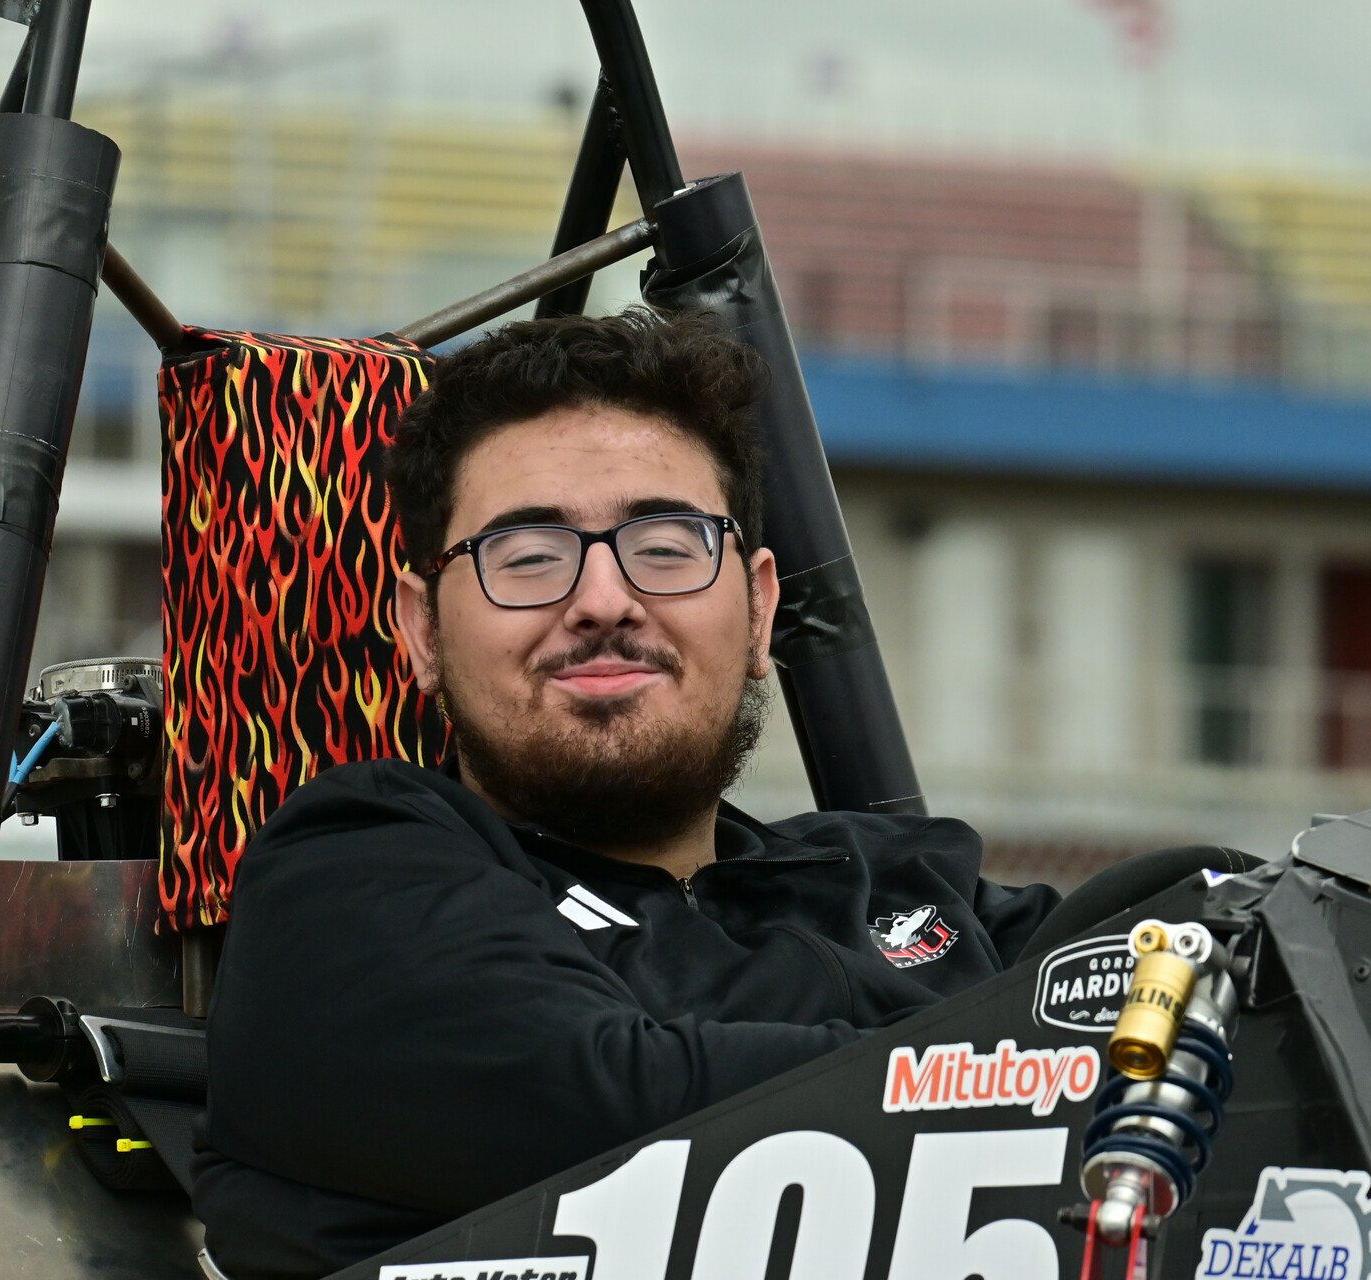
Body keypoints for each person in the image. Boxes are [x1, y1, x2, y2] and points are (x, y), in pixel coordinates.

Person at [191, 308, 1062, 1279]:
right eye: (527, 555)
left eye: (666, 542)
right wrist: (1040, 1063)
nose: (604, 598)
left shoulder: (908, 876)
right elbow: (612, 1105)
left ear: (762, 605)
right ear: (423, 629)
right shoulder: (348, 876)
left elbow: (1214, 977)